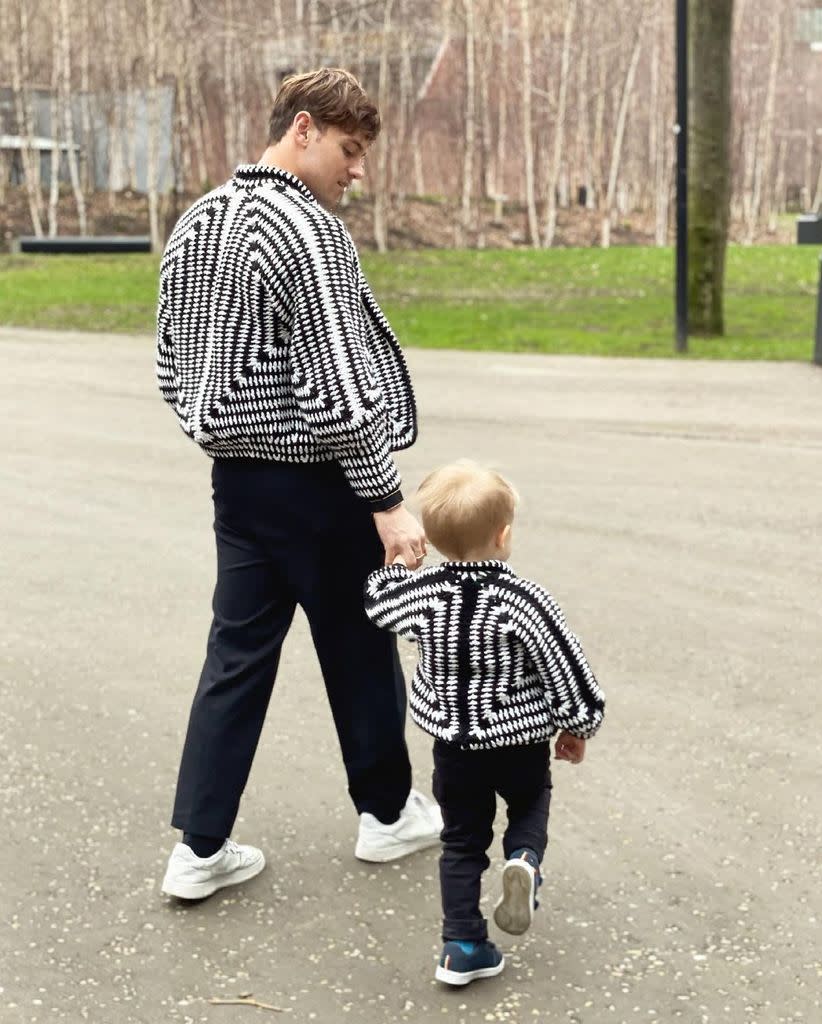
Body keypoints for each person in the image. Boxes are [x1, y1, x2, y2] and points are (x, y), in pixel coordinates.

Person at [155, 67, 441, 901]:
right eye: (351, 151)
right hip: (320, 485)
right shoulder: (307, 231)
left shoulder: (198, 219)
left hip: (238, 487)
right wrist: (386, 501)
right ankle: (388, 817)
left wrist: (218, 429)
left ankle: (198, 850)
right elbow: (340, 389)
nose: (359, 170)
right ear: (304, 129)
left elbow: (172, 364)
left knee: (235, 658)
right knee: (358, 649)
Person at [364, 461, 606, 985]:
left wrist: (394, 564)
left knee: (461, 841)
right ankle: (523, 859)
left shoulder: (421, 596)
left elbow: (378, 602)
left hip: (454, 747)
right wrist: (577, 726)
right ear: (504, 533)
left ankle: (463, 945)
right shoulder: (525, 601)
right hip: (518, 741)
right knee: (529, 803)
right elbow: (565, 666)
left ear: (435, 539)